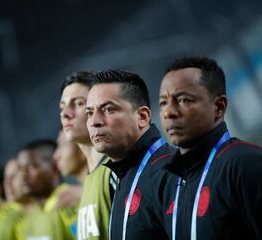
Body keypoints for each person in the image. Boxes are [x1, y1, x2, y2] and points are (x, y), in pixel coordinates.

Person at [158, 56, 262, 239]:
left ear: (219, 107)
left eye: (183, 100)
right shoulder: (171, 183)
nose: (169, 112)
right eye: (163, 102)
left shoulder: (245, 163)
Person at [86, 70, 173, 239]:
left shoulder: (170, 171)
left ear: (142, 116)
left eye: (108, 109)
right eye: (90, 112)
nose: (95, 121)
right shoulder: (122, 173)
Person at [60, 71, 116, 240]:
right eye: (62, 106)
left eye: (77, 103)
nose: (65, 114)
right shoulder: (89, 181)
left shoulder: (115, 171)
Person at [16, 139, 77, 239]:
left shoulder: (71, 202)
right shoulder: (31, 215)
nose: (23, 174)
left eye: (33, 166)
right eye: (20, 168)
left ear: (55, 167)